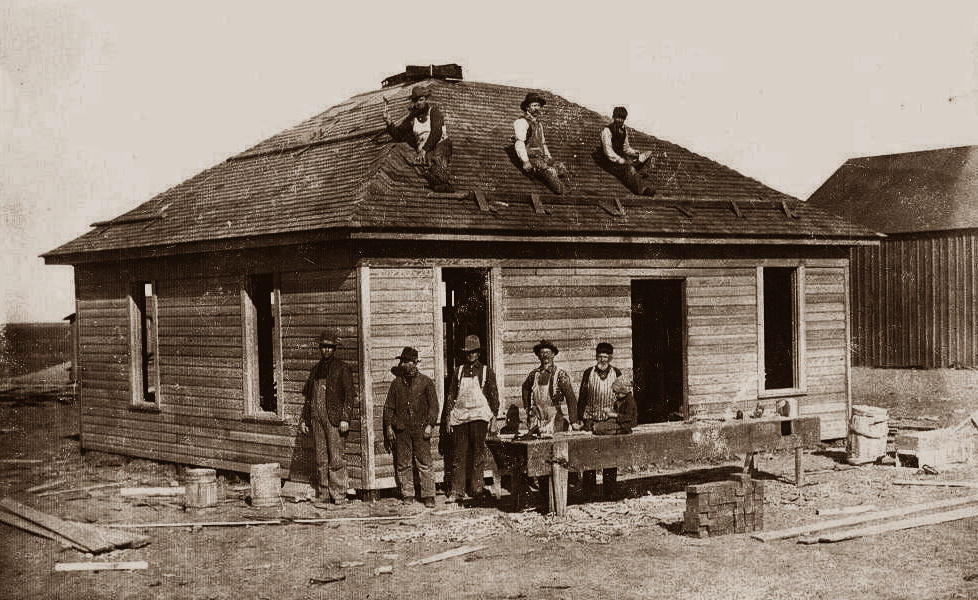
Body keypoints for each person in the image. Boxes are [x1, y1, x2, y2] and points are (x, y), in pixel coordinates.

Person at [300, 329, 354, 508]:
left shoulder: (342, 367)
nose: (326, 350)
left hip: (333, 419)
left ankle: (338, 494)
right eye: (323, 347)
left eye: (330, 347)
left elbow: (349, 395)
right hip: (317, 418)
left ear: (334, 348)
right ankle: (323, 493)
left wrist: (345, 418)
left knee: (336, 457)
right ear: (320, 348)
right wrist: (305, 420)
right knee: (321, 457)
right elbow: (309, 398)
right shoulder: (315, 370)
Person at [442, 335, 499, 504]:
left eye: (473, 352)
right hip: (460, 417)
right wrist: (447, 418)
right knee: (459, 454)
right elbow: (451, 395)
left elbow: (493, 396)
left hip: (480, 417)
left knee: (478, 453)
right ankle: (457, 491)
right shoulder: (458, 371)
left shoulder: (486, 371)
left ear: (478, 353)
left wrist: (494, 417)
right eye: (468, 352)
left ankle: (476, 489)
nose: (470, 355)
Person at [383, 346, 439, 508]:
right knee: (403, 463)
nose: (403, 364)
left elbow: (434, 407)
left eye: (407, 361)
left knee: (424, 462)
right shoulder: (396, 384)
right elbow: (389, 407)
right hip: (402, 430)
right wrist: (388, 427)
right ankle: (408, 493)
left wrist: (430, 424)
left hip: (421, 429)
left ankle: (428, 495)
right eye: (402, 361)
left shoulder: (426, 382)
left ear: (415, 363)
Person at [383, 84, 455, 193]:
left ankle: (445, 182)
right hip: (425, 151)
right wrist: (389, 122)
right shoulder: (412, 118)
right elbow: (400, 136)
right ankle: (442, 186)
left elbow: (436, 132)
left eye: (421, 100)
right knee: (419, 165)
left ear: (425, 99)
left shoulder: (434, 112)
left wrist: (424, 150)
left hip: (440, 144)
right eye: (416, 101)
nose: (418, 103)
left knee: (435, 158)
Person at [513, 92, 569, 195]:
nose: (537, 108)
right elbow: (519, 143)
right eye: (534, 105)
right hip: (531, 158)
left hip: (541, 157)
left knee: (561, 167)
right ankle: (562, 192)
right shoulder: (522, 122)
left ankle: (566, 187)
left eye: (538, 106)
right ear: (527, 107)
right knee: (550, 172)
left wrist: (548, 156)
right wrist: (525, 161)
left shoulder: (539, 124)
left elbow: (543, 143)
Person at [521, 340, 577, 436]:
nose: (545, 355)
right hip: (537, 418)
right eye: (542, 353)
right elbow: (525, 388)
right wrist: (528, 408)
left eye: (548, 352)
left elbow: (570, 398)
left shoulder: (560, 374)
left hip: (554, 418)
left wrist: (573, 421)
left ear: (553, 354)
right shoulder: (534, 374)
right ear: (538, 355)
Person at [598, 106, 656, 196]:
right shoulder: (607, 131)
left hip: (620, 158)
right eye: (618, 117)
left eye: (622, 118)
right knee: (629, 169)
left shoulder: (624, 130)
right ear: (613, 117)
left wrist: (637, 153)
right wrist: (621, 160)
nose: (620, 120)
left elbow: (626, 148)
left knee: (640, 165)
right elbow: (608, 152)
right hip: (609, 161)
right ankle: (642, 190)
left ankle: (648, 184)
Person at [577, 342, 622, 431]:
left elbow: (622, 397)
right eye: (600, 357)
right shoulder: (588, 372)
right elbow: (582, 396)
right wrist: (580, 418)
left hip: (610, 419)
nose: (602, 360)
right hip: (591, 418)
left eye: (605, 357)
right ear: (596, 357)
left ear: (610, 358)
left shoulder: (616, 373)